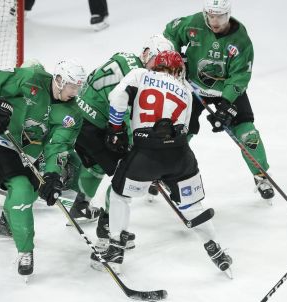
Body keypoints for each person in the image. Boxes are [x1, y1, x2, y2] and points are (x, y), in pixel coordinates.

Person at [91, 50, 233, 276]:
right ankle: (215, 250)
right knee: (192, 206)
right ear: (177, 70)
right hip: (180, 156)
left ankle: (116, 249)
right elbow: (184, 129)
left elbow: (117, 97)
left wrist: (116, 129)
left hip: (146, 155)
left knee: (120, 195)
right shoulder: (186, 89)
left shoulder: (140, 74)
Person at [0, 59, 89, 277]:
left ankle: (6, 223)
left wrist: (53, 174)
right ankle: (25, 251)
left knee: (39, 188)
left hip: (28, 152)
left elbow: (59, 145)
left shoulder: (72, 113)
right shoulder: (29, 78)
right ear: (58, 80)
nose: (75, 92)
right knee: (22, 190)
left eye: (78, 87)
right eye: (72, 86)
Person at [162, 0, 274, 202]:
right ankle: (164, 170)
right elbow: (170, 33)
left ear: (228, 14)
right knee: (180, 130)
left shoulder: (240, 39)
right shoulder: (193, 23)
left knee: (247, 132)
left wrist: (225, 104)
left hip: (226, 90)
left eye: (220, 16)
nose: (214, 21)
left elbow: (240, 75)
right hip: (193, 87)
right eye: (211, 16)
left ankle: (261, 175)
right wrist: (176, 57)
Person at [74, 34, 174, 249]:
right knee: (126, 172)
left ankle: (81, 205)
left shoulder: (124, 57)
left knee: (98, 164)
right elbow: (123, 113)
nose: (159, 70)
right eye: (157, 63)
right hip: (97, 126)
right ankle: (108, 226)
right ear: (146, 54)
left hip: (78, 115)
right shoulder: (140, 77)